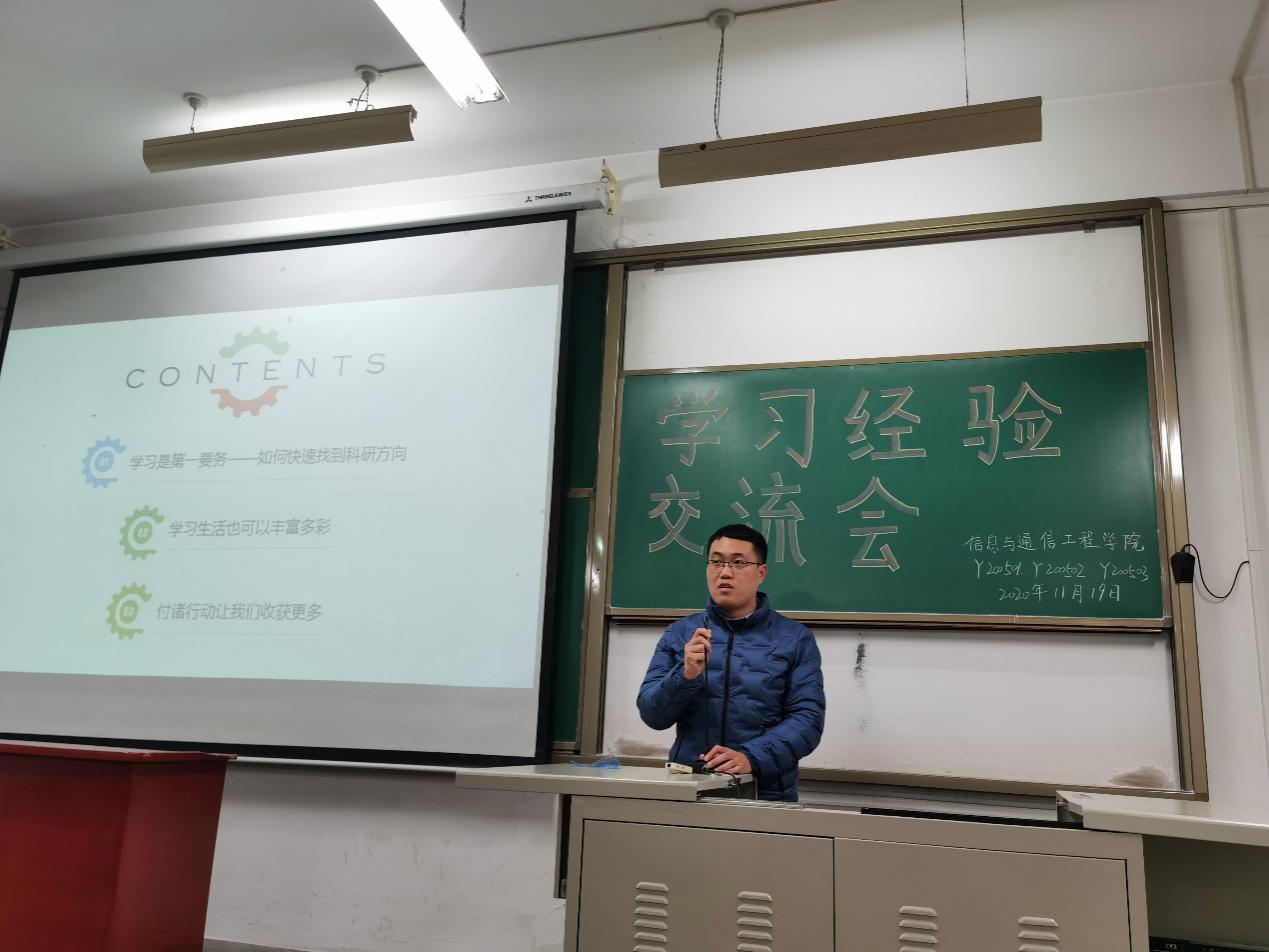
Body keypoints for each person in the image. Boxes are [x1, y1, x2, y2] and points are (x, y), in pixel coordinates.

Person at [636, 523, 826, 801]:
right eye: (716, 562)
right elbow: (652, 715)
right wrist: (685, 676)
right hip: (691, 788)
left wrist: (751, 757)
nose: (725, 572)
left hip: (765, 793)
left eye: (738, 563)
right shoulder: (680, 634)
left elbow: (807, 719)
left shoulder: (795, 638)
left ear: (761, 573)